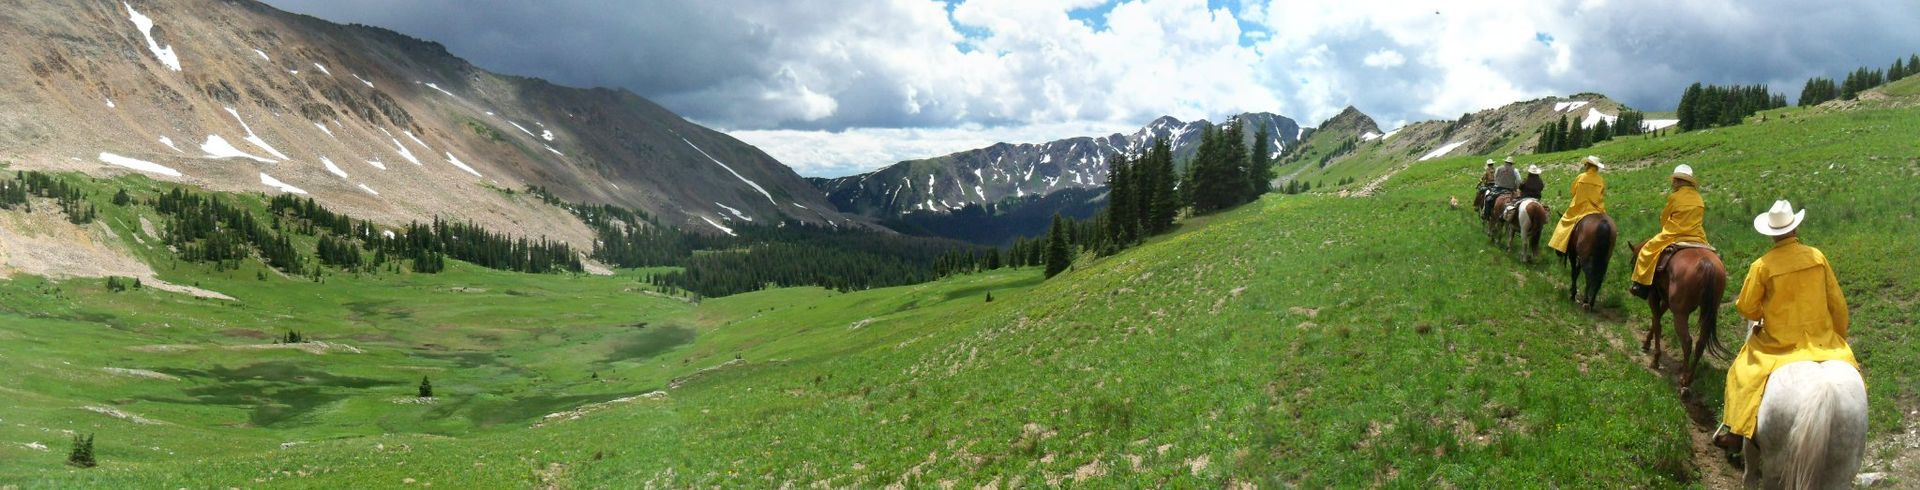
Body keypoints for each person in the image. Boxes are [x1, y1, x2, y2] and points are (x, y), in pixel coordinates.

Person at [1711, 200, 1856, 457]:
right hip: (1822, 342)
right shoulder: (1817, 257)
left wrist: (1759, 313)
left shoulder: (1762, 266)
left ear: (1771, 233)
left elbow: (1747, 309)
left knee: (1740, 372)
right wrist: (1838, 337)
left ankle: (1736, 431)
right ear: (1794, 229)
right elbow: (1838, 304)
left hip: (1779, 346)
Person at [1629, 164, 1709, 299]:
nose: (1673, 183)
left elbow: (1664, 218)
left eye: (1675, 180)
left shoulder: (1675, 197)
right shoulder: (1699, 198)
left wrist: (1666, 226)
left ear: (1678, 181)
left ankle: (1640, 285)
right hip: (1697, 236)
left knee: (1646, 251)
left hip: (1674, 234)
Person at [1548, 156, 1606, 255]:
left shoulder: (1581, 177)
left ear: (1588, 165)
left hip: (1580, 208)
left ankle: (1559, 247)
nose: (1584, 166)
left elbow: (1573, 191)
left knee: (1564, 221)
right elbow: (1602, 194)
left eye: (1585, 164)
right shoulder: (1600, 180)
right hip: (1597, 209)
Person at [1484, 157, 1519, 222]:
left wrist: (1498, 183)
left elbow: (1495, 177)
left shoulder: (1498, 168)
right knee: (1518, 201)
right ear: (1512, 163)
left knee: (1488, 199)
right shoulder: (1515, 170)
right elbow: (1519, 180)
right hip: (1510, 189)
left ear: (1505, 162)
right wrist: (1516, 187)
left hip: (1498, 188)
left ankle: (1486, 215)